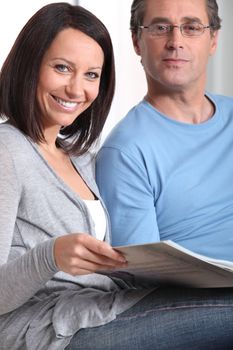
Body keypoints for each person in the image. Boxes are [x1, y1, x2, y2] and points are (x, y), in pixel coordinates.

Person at [0, 3, 153, 350]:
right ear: (30, 65)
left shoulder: (84, 159)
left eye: (91, 75)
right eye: (62, 68)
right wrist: (51, 255)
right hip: (44, 328)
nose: (75, 89)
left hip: (103, 310)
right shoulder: (6, 151)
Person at [96, 0, 233, 348]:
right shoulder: (126, 150)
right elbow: (144, 277)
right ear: (137, 42)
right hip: (200, 302)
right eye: (160, 27)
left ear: (213, 39)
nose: (176, 41)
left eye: (191, 27)